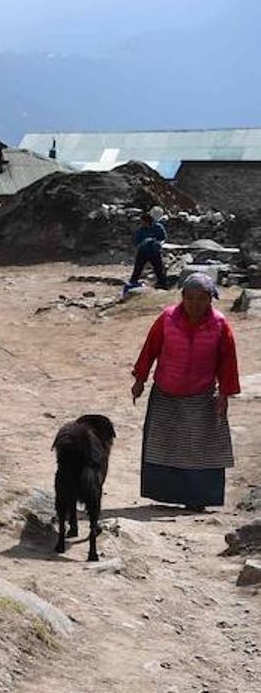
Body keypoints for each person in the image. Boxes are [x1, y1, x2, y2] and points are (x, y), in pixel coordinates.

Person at [131, 272, 240, 511]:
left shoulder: (220, 325)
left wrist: (224, 395)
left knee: (200, 449)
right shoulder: (167, 319)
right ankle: (166, 495)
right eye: (190, 298)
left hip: (201, 396)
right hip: (166, 394)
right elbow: (150, 350)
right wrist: (140, 379)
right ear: (182, 297)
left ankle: (198, 500)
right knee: (165, 445)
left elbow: (227, 363)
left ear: (211, 300)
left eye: (201, 299)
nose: (195, 304)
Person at [129, 211, 168, 289]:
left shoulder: (158, 227)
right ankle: (132, 284)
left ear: (148, 221)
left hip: (154, 251)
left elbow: (163, 238)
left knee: (159, 269)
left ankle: (162, 285)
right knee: (137, 269)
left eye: (143, 222)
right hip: (143, 252)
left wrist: (157, 242)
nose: (142, 223)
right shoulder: (140, 230)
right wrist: (142, 243)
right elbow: (136, 242)